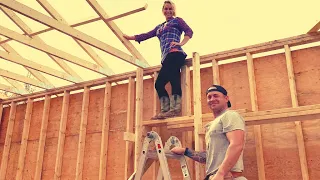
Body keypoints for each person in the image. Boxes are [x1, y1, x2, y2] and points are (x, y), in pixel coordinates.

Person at [123, 0, 193, 119]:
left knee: (173, 79)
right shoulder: (159, 27)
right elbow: (146, 35)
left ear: (174, 10)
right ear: (163, 11)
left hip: (175, 53)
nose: (168, 11)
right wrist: (130, 37)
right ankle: (165, 111)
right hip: (166, 57)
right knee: (159, 84)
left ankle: (174, 110)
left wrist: (181, 43)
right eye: (166, 9)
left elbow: (189, 31)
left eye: (170, 9)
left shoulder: (177, 20)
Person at [171, 85, 247, 180]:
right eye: (209, 97)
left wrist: (221, 174)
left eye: (216, 96)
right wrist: (185, 151)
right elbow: (209, 157)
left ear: (226, 98)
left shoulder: (230, 115)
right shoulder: (212, 125)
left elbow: (236, 145)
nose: (212, 99)